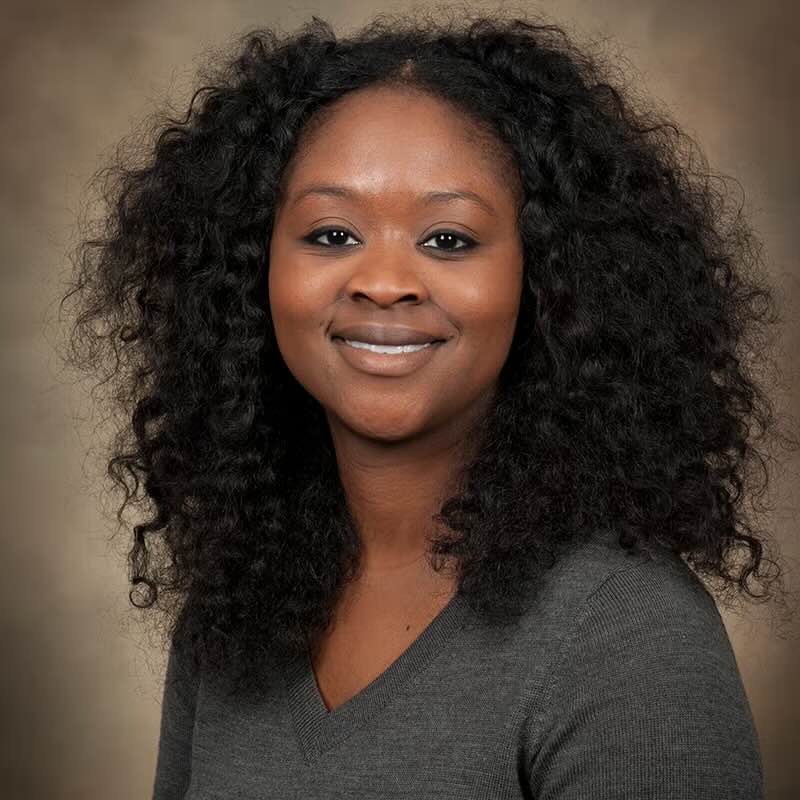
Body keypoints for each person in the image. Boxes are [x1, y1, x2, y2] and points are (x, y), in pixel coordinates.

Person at [58, 9, 795, 799]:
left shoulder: (625, 630)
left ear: (548, 277)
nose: (383, 282)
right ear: (249, 271)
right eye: (332, 234)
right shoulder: (234, 609)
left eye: (449, 239)